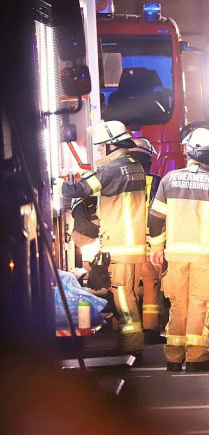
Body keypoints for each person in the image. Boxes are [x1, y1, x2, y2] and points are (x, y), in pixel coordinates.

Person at [148, 127, 209, 372]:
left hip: (175, 256)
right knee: (200, 305)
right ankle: (196, 357)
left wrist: (156, 248)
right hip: (206, 257)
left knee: (178, 306)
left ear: (190, 150)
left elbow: (155, 218)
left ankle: (174, 357)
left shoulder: (169, 180)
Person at [62, 120, 147, 357]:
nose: (99, 149)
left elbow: (77, 190)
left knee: (123, 296)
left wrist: (60, 184)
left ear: (112, 145)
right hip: (132, 244)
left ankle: (132, 345)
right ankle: (131, 342)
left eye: (101, 146)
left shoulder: (110, 170)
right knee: (126, 293)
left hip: (120, 244)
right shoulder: (134, 166)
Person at [129, 137, 165, 345]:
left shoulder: (120, 179)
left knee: (127, 288)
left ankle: (127, 329)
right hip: (150, 244)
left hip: (124, 244)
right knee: (152, 285)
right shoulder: (157, 182)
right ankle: (150, 330)